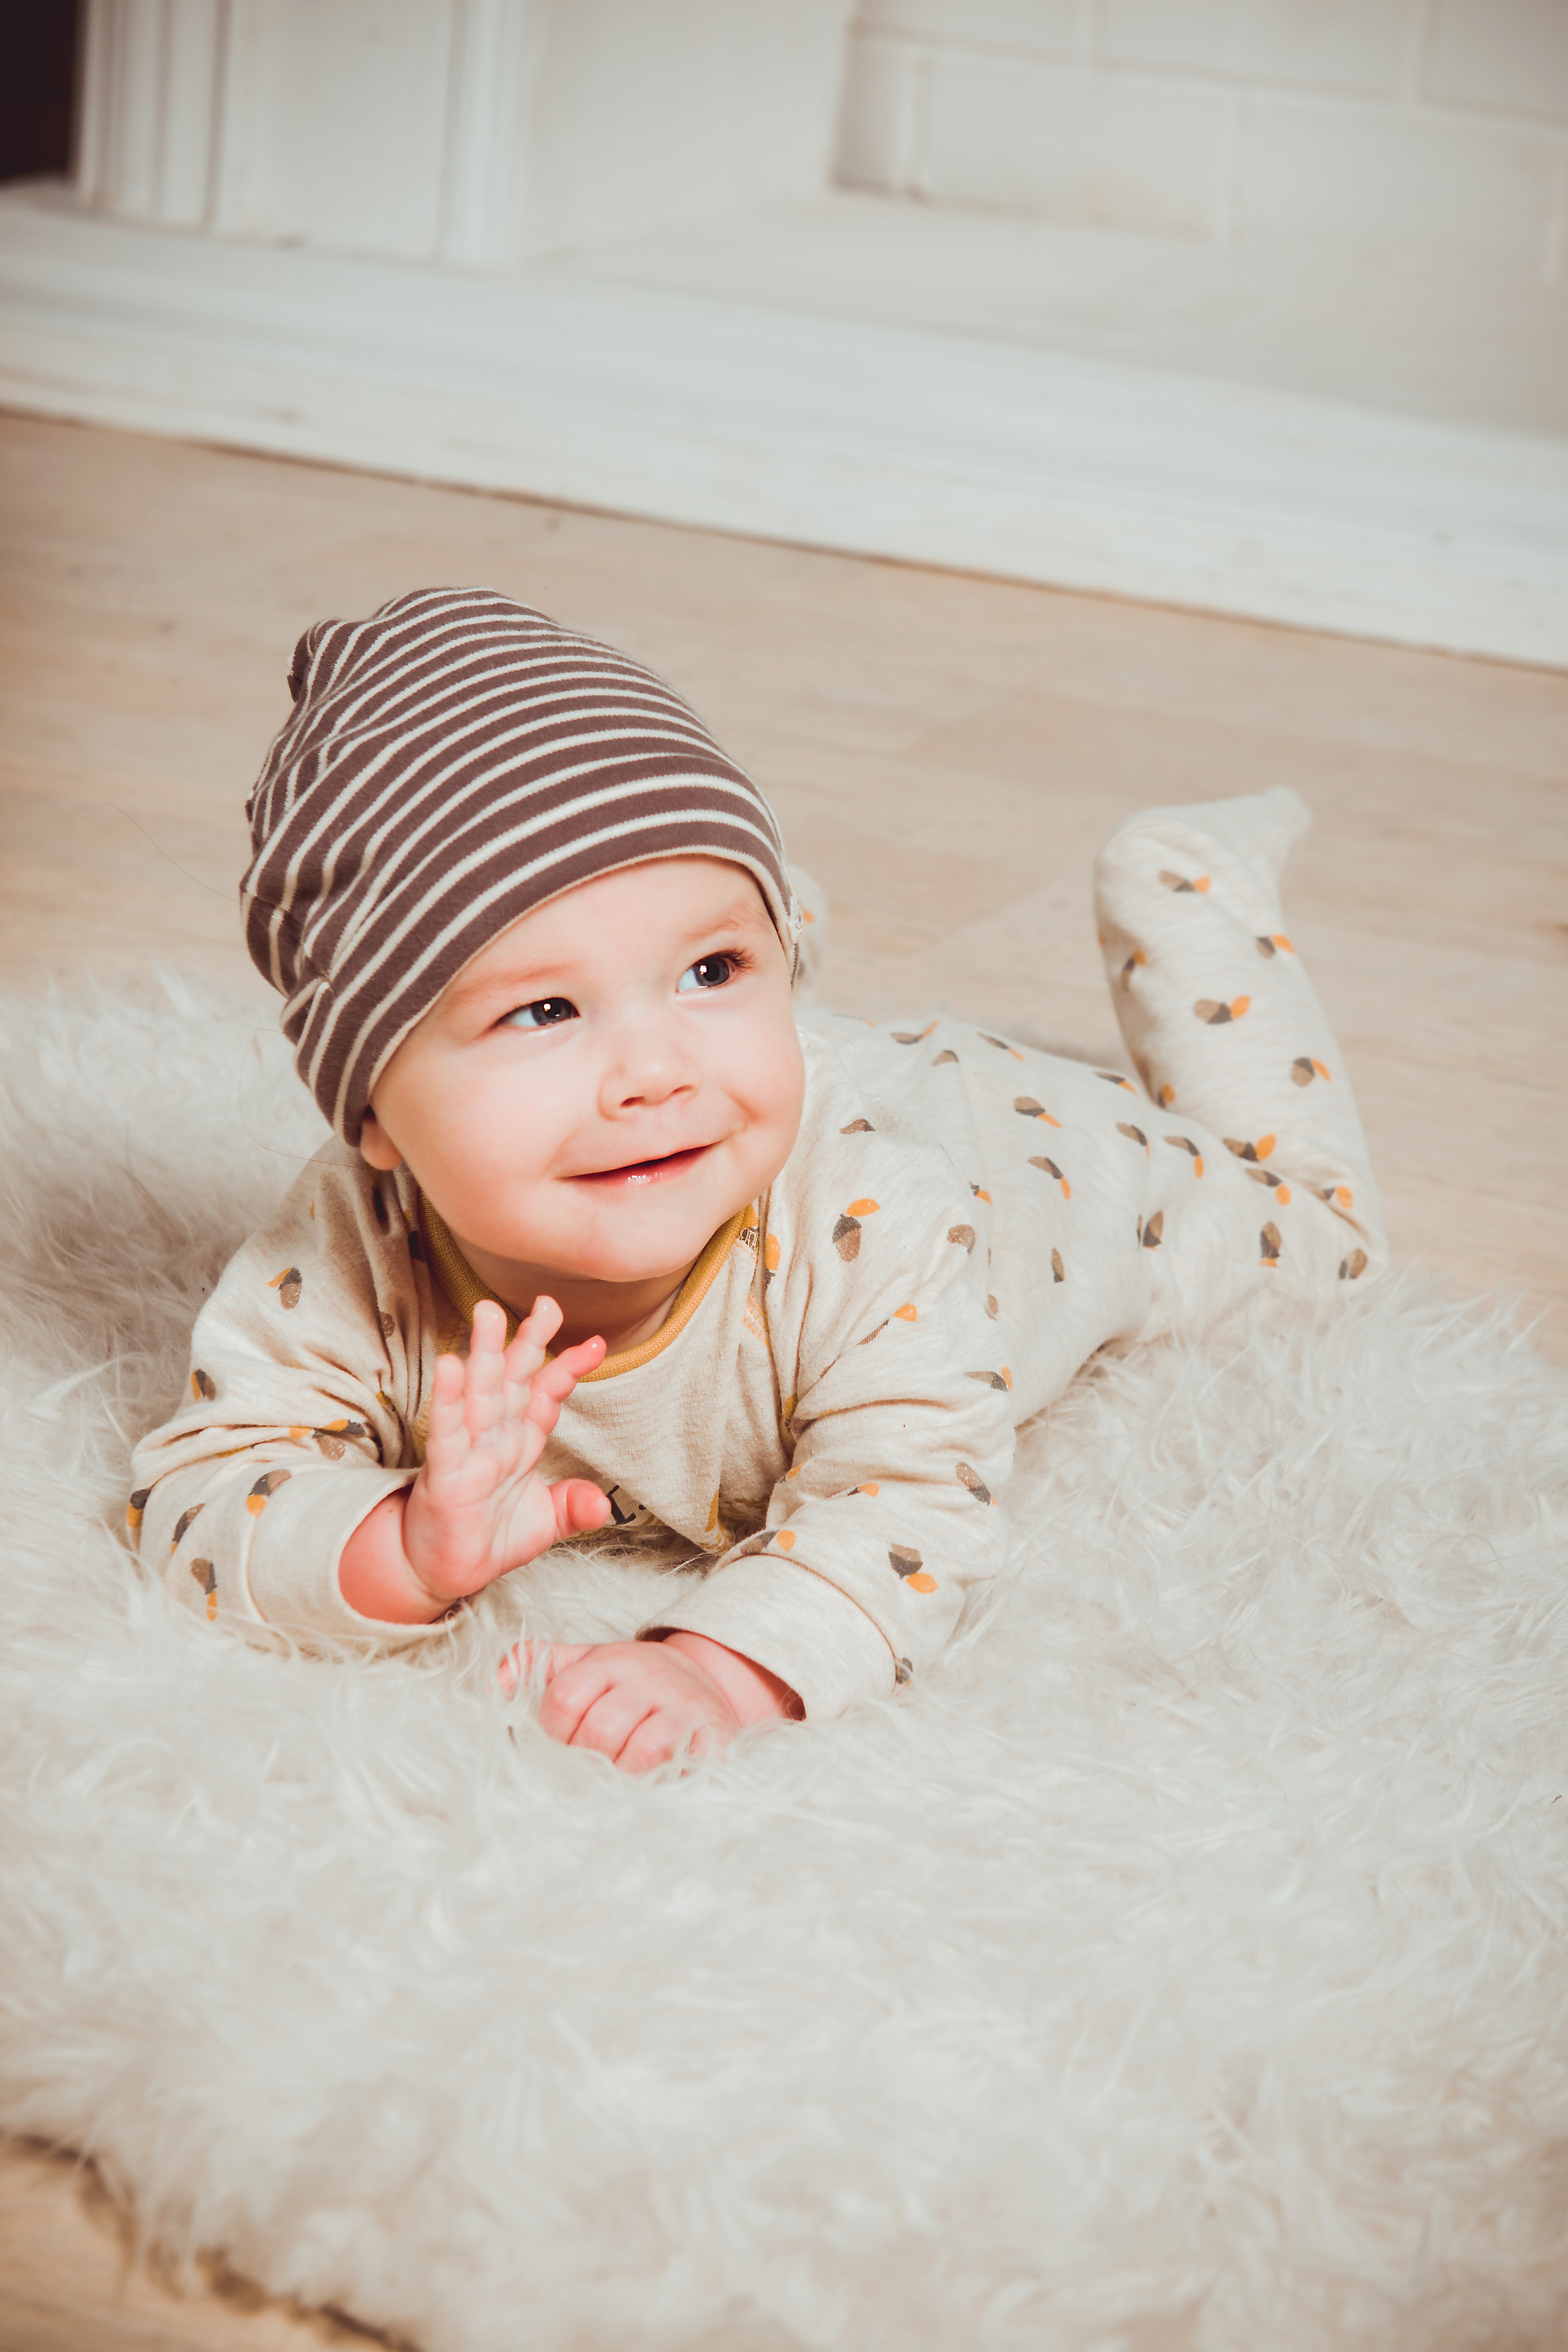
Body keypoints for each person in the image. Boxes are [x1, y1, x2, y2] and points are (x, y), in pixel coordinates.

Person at [128, 587, 1385, 1773]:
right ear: (372, 1113)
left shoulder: (878, 1221)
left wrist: (720, 1670)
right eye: (546, 1009)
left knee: (1320, 1231)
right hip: (793, 1086)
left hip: (1020, 1152)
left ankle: (1183, 889)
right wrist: (395, 1545)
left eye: (712, 972)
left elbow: (908, 1502)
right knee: (729, 1042)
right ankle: (761, 942)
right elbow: (200, 1491)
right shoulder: (351, 1249)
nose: (653, 1074)